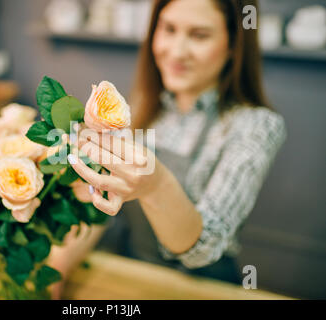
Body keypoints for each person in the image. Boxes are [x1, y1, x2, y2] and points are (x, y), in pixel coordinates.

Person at [48, 0, 287, 299]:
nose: (176, 51)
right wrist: (55, 273)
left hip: (206, 289)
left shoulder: (256, 126)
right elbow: (99, 205)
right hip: (137, 280)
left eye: (199, 35)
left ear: (233, 44)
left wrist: (156, 185)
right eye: (168, 29)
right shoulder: (139, 109)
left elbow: (205, 246)